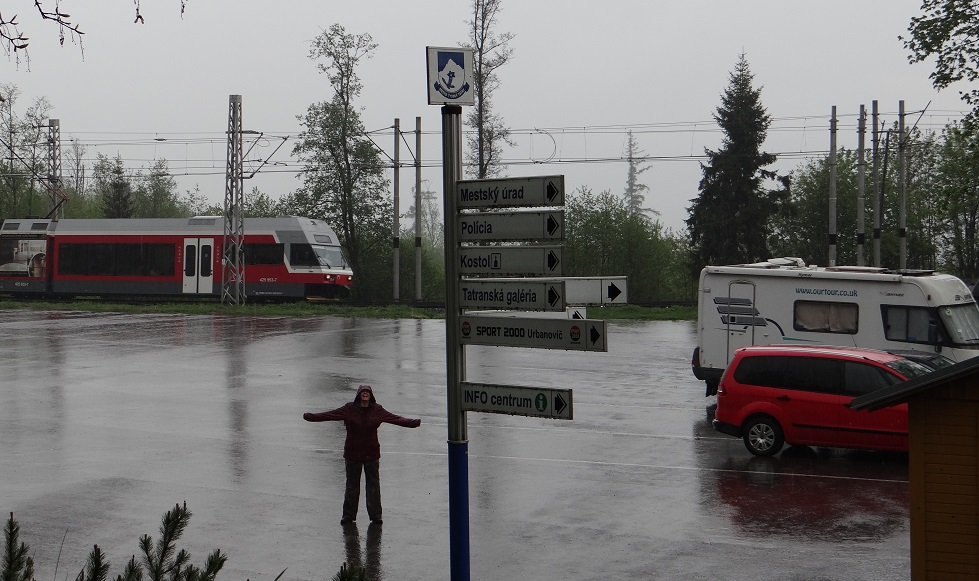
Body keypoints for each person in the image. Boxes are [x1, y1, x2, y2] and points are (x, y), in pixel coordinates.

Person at [303, 384, 421, 525]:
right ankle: (348, 516)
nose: (365, 394)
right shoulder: (348, 409)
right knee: (352, 486)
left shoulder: (378, 410)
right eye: (363, 392)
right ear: (358, 395)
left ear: (371, 395)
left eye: (367, 392)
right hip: (353, 454)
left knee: (373, 486)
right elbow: (329, 415)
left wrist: (412, 423)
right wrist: (310, 417)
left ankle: (376, 516)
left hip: (371, 454)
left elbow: (395, 419)